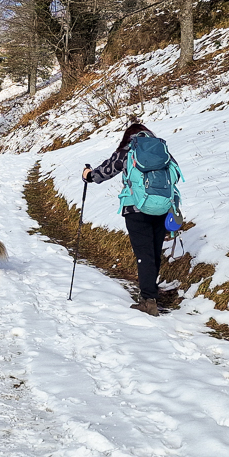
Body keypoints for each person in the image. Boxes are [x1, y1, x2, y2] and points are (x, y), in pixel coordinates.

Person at [82, 121, 172, 317]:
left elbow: (105, 172)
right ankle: (152, 295)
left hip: (135, 208)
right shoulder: (161, 150)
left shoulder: (128, 150)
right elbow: (172, 175)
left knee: (144, 253)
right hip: (161, 207)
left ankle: (148, 300)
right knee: (155, 252)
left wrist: (88, 175)